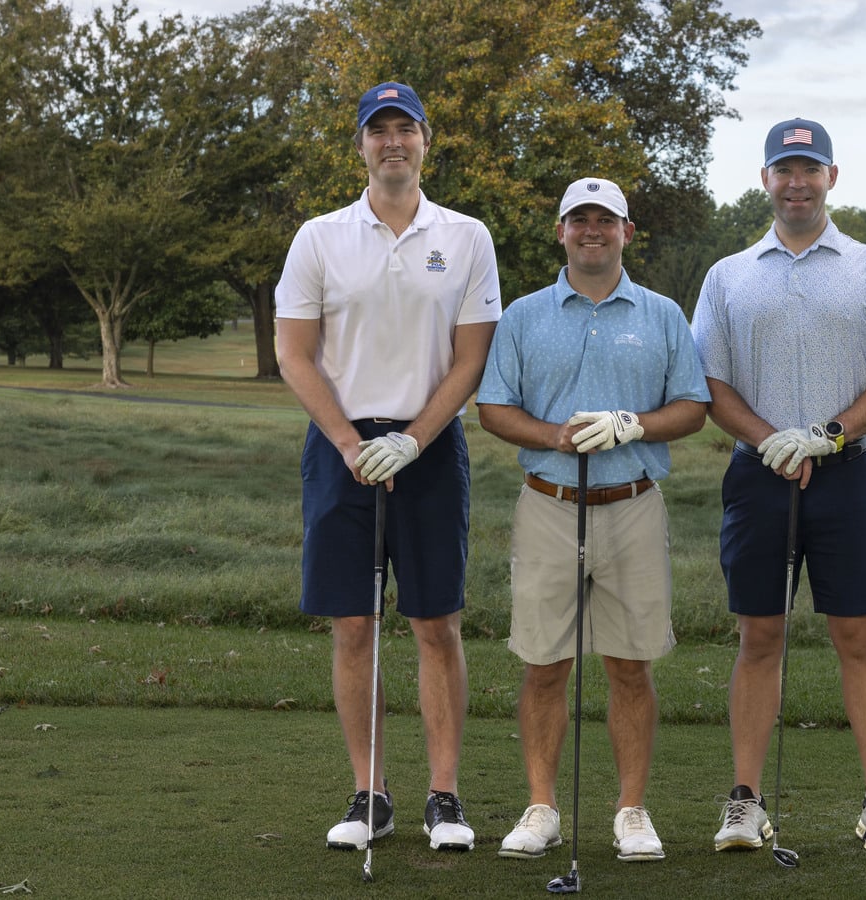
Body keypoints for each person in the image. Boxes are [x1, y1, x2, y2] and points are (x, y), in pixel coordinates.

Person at [273, 81, 500, 854]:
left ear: (426, 141)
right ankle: (371, 793)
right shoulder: (320, 236)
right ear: (362, 144)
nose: (393, 141)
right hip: (341, 448)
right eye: (380, 130)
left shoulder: (467, 236)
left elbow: (471, 359)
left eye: (406, 129)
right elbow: (294, 353)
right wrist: (345, 440)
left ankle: (445, 796)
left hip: (431, 447)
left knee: (436, 621)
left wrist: (415, 438)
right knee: (353, 623)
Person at [692, 118, 866, 854]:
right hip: (759, 478)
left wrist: (826, 435)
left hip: (848, 475)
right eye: (785, 170)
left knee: (858, 634)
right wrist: (770, 441)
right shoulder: (729, 274)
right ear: (765, 179)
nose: (797, 182)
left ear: (832, 177)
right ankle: (746, 801)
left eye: (810, 169)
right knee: (760, 634)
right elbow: (710, 383)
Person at [477, 177, 710, 864]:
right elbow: (495, 408)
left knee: (629, 666)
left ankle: (631, 810)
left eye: (605, 221)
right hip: (549, 504)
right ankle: (542, 806)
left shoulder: (663, 313)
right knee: (544, 664)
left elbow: (692, 405)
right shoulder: (523, 315)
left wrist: (632, 423)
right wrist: (552, 436)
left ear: (626, 232)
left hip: (632, 503)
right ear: (561, 232)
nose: (591, 231)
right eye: (578, 220)